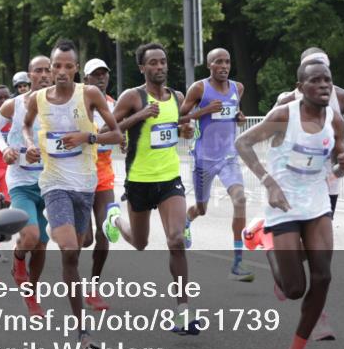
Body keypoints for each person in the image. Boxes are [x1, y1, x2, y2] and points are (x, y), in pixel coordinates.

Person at [236, 58, 344, 349]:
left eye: (327, 80)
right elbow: (242, 143)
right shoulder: (284, 115)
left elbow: (337, 163)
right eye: (315, 81)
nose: (324, 86)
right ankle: (261, 235)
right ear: (301, 88)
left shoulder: (334, 119)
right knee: (294, 288)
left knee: (323, 276)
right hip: (282, 203)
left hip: (315, 202)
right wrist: (268, 182)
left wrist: (343, 164)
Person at [22, 39, 121, 349]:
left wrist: (87, 136)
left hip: (85, 185)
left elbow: (117, 135)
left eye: (68, 66)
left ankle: (80, 323)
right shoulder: (38, 98)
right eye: (56, 66)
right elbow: (25, 127)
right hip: (54, 183)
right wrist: (29, 143)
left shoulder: (89, 94)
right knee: (67, 250)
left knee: (77, 251)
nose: (61, 71)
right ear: (50, 69)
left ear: (76, 69)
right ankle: (82, 331)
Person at [272, 47, 344, 341]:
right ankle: (316, 314)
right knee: (310, 253)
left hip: (327, 182)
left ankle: (288, 270)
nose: (321, 79)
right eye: (312, 70)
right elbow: (271, 138)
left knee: (319, 254)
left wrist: (342, 135)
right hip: (294, 183)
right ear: (302, 76)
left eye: (324, 69)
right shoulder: (287, 101)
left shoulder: (342, 97)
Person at [101, 43, 199, 334]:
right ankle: (115, 219)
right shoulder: (132, 97)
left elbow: (178, 125)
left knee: (176, 240)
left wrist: (186, 129)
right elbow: (108, 132)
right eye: (153, 63)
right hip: (139, 181)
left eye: (163, 62)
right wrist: (139, 117)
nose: (159, 67)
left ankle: (183, 311)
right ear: (142, 68)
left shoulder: (177, 96)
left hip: (170, 179)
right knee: (141, 243)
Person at [179, 48, 253, 282]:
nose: (224, 66)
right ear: (209, 65)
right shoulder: (199, 88)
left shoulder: (237, 88)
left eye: (227, 62)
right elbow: (178, 118)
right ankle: (188, 220)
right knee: (202, 208)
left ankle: (238, 262)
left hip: (228, 156)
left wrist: (239, 117)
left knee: (240, 199)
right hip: (203, 158)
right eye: (218, 62)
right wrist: (204, 111)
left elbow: (234, 113)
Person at [0, 56, 52, 317]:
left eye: (49, 69)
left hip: (50, 182)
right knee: (31, 236)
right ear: (30, 75)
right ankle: (17, 261)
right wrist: (6, 149)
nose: (45, 75)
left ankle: (32, 294)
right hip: (21, 182)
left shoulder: (60, 105)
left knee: (42, 246)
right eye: (39, 71)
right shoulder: (15, 105)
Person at [80, 58, 124, 311]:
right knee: (84, 239)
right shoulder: (78, 103)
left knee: (105, 230)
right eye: (95, 75)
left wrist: (122, 140)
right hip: (79, 174)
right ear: (86, 79)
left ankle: (93, 287)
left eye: (104, 74)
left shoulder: (113, 104)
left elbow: (118, 132)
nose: (100, 78)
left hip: (104, 175)